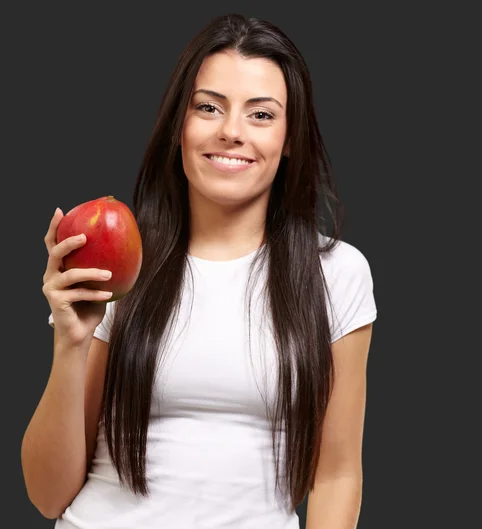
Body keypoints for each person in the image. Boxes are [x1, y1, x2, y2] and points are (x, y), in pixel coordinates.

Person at [21, 13, 377, 529]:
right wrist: (71, 344)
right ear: (178, 126)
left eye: (261, 115)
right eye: (208, 108)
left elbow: (337, 476)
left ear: (291, 137)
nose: (231, 132)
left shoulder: (336, 274)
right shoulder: (125, 262)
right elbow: (47, 496)